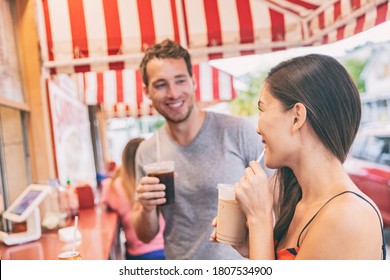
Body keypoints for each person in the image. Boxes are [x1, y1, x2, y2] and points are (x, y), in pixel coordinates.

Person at [211, 54, 387, 260]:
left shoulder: (348, 216)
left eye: (262, 109)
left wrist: (260, 219)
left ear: (296, 117)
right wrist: (255, 249)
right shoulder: (299, 202)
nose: (257, 127)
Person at [132, 39, 269, 259]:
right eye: (160, 85)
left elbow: (279, 203)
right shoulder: (147, 151)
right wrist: (146, 208)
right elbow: (146, 235)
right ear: (146, 90)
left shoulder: (238, 132)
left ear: (193, 81)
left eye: (180, 80)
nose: (173, 93)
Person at [101, 137, 165, 260]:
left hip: (138, 255)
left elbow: (104, 206)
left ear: (123, 160)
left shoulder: (113, 186)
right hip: (165, 251)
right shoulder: (159, 183)